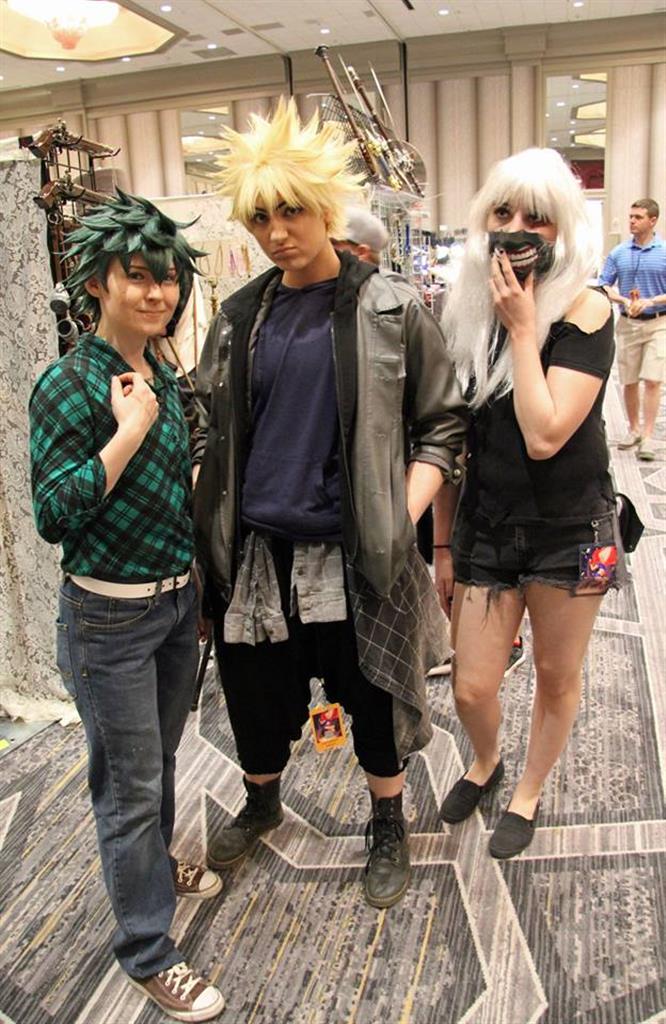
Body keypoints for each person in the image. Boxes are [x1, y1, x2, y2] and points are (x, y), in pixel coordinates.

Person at [192, 99, 467, 909]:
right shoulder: (239, 317)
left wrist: (400, 514)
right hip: (257, 553)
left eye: (292, 211)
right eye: (261, 217)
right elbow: (208, 422)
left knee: (372, 695)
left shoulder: (392, 307)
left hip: (356, 551)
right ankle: (262, 799)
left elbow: (442, 426)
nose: (277, 232)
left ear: (324, 206)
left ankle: (388, 822)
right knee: (256, 695)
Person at [29, 191, 225, 1022]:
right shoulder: (68, 384)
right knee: (129, 788)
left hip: (175, 606)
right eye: (138, 277)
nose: (156, 293)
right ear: (97, 284)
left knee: (162, 762)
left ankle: (155, 865)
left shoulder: (164, 370)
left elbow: (180, 484)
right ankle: (147, 949)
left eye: (168, 279)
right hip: (106, 620)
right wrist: (127, 435)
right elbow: (52, 513)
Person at [434, 148, 626, 859]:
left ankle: (529, 790)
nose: (516, 230)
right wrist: (442, 545)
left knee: (556, 673)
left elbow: (545, 435)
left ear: (562, 228)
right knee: (471, 686)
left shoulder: (586, 308)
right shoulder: (467, 310)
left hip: (572, 530)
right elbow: (451, 441)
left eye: (536, 218)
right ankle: (486, 761)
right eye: (503, 213)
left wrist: (521, 328)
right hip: (487, 526)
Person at [599, 199, 666, 461]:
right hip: (628, 323)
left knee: (653, 380)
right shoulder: (618, 253)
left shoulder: (664, 252)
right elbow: (604, 285)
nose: (632, 221)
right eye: (630, 216)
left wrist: (650, 301)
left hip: (658, 323)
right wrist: (624, 300)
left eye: (638, 217)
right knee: (629, 380)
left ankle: (647, 436)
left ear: (653, 220)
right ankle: (634, 429)